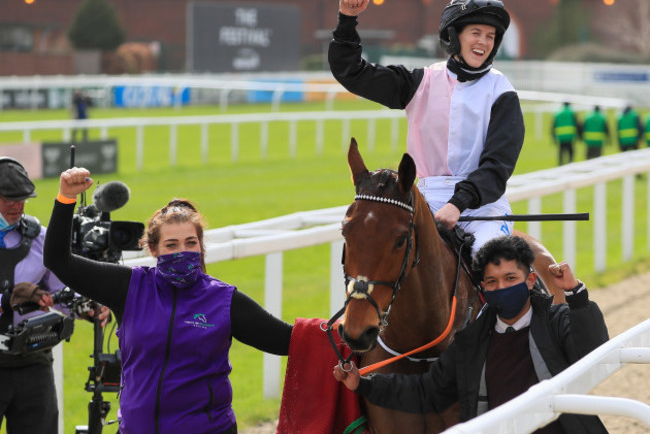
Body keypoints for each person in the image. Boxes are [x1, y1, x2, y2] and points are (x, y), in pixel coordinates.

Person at [43, 167, 294, 434]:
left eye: (190, 243)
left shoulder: (223, 300)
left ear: (201, 247)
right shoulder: (129, 287)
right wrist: (65, 198)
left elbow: (288, 339)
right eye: (171, 245)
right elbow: (58, 260)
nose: (182, 252)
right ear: (154, 249)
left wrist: (341, 329)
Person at [334, 235, 609, 434]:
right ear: (484, 289)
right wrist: (364, 384)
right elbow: (427, 391)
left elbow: (592, 355)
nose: (501, 287)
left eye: (510, 279)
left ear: (530, 280)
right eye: (492, 282)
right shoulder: (470, 342)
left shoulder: (555, 320)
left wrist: (576, 296)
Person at [329, 0, 524, 255]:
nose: (484, 42)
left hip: (483, 209)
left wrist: (457, 204)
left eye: (490, 36)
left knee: (493, 266)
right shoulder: (419, 82)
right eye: (476, 33)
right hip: (425, 203)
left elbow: (498, 165)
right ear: (455, 36)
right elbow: (351, 72)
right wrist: (347, 19)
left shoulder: (502, 91)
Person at [0, 157, 107, 434]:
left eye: (22, 199)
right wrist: (9, 297)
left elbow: (60, 289)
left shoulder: (39, 238)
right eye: (8, 199)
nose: (17, 206)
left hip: (33, 363)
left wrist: (85, 307)